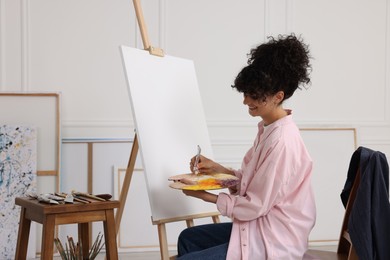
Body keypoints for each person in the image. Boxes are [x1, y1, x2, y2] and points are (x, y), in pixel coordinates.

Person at [176, 34, 316, 260]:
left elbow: (255, 205)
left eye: (254, 96)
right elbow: (253, 184)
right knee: (189, 238)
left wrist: (206, 196)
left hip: (274, 239)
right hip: (260, 226)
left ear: (277, 96)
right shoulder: (268, 129)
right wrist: (216, 169)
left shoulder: (282, 141)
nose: (245, 101)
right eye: (245, 93)